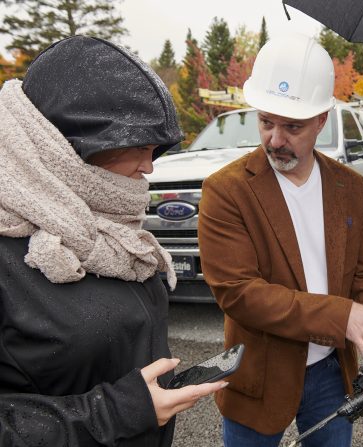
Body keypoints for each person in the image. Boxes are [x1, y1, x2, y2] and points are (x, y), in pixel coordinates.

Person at [0, 36, 226, 446]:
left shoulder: (106, 218)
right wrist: (118, 413)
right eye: (137, 146)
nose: (149, 166)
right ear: (62, 145)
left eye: (156, 149)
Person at [198, 33, 363, 447]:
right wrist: (342, 317)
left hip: (333, 373)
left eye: (292, 126)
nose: (275, 139)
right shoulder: (226, 191)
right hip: (258, 374)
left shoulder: (348, 186)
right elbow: (239, 293)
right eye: (266, 121)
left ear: (321, 120)